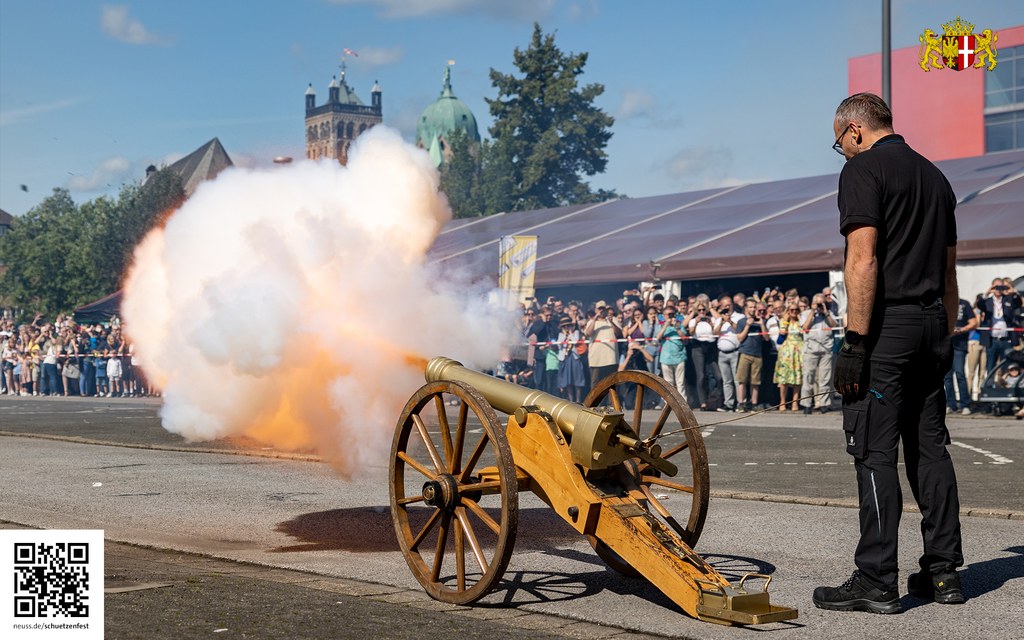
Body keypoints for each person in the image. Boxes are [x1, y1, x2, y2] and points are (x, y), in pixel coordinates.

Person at [814, 93, 964, 614]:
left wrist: (855, 341)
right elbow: (948, 273)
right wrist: (943, 333)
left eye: (840, 142)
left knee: (874, 452)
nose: (842, 151)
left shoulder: (863, 171)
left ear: (855, 129)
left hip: (888, 327)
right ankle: (943, 573)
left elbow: (863, 258)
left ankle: (876, 578)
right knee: (930, 450)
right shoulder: (936, 178)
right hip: (931, 324)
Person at [799, 293, 838, 414]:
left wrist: (825, 312)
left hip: (826, 349)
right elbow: (805, 327)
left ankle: (824, 404)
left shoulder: (828, 313)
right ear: (813, 303)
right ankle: (806, 404)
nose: (820, 305)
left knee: (824, 378)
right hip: (811, 349)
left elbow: (834, 325)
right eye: (818, 303)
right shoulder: (805, 314)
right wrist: (812, 311)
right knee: (808, 377)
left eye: (822, 302)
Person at [979, 278, 1021, 373]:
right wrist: (987, 292)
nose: (998, 289)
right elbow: (979, 304)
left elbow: (1018, 303)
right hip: (992, 340)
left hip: (1006, 339)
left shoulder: (1008, 299)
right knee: (990, 366)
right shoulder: (988, 301)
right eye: (996, 286)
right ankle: (989, 386)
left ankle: (1004, 387)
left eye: (1000, 286)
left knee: (1006, 366)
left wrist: (1012, 291)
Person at [944, 297, 978, 415]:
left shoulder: (964, 304)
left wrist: (961, 329)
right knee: (947, 377)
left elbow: (973, 322)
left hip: (959, 345)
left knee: (960, 374)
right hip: (945, 345)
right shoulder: (943, 302)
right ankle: (950, 404)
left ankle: (965, 404)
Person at [735, 299, 768, 412]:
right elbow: (740, 338)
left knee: (755, 381)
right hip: (745, 353)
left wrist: (762, 324)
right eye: (751, 307)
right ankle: (741, 403)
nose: (753, 309)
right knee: (742, 380)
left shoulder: (760, 321)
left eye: (754, 307)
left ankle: (754, 403)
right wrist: (748, 326)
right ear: (746, 308)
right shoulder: (741, 322)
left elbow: (766, 338)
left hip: (757, 354)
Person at [714, 295, 744, 412]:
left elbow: (740, 330)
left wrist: (730, 321)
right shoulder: (719, 318)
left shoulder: (739, 317)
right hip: (722, 353)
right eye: (724, 306)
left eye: (729, 305)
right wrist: (722, 321)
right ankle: (729, 404)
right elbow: (715, 333)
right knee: (727, 381)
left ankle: (739, 403)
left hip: (735, 352)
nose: (727, 308)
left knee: (737, 379)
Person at [583, 301, 622, 390]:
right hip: (596, 359)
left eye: (603, 309)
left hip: (610, 358)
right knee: (595, 382)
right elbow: (588, 333)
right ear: (596, 310)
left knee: (611, 382)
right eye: (599, 309)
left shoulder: (613, 320)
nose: (601, 311)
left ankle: (611, 403)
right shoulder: (591, 321)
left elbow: (619, 333)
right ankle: (595, 403)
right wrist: (595, 318)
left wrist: (611, 322)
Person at [773, 301, 803, 411]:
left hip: (798, 351)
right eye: (792, 310)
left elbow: (804, 330)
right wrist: (786, 320)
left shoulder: (800, 321)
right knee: (784, 379)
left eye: (796, 310)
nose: (794, 312)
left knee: (797, 378)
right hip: (786, 352)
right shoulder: (784, 321)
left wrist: (800, 318)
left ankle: (795, 402)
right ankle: (782, 402)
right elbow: (781, 335)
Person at [657, 305, 687, 401]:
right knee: (668, 382)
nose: (670, 316)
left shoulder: (679, 325)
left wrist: (676, 327)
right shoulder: (661, 325)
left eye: (672, 314)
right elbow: (657, 337)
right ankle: (668, 403)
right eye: (668, 314)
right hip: (666, 358)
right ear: (664, 315)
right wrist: (666, 324)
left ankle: (683, 403)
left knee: (680, 382)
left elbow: (684, 337)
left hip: (679, 356)